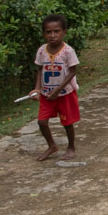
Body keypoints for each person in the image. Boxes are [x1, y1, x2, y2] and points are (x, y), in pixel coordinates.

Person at [33, 14, 80, 161]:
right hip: (47, 95)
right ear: (43, 34)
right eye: (48, 32)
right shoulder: (42, 51)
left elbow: (72, 72)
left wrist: (59, 89)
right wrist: (37, 89)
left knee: (67, 123)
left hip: (65, 94)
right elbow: (40, 70)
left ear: (64, 32)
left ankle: (71, 147)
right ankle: (52, 145)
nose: (52, 35)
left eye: (56, 31)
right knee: (41, 122)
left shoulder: (68, 51)